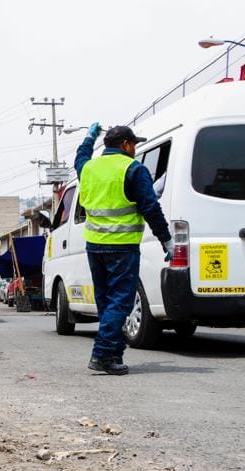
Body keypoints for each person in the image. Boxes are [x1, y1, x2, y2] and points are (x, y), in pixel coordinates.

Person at [74, 123, 174, 376]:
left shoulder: (88, 168)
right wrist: (166, 240)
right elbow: (151, 207)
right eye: (134, 145)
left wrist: (89, 137)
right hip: (122, 247)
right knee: (121, 301)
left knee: (106, 301)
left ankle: (114, 353)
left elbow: (81, 156)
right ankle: (102, 353)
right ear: (126, 145)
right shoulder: (133, 169)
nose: (135, 149)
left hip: (94, 246)